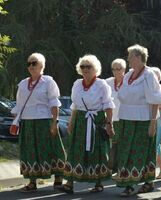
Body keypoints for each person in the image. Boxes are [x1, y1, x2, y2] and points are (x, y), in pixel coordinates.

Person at [60, 54, 115, 194]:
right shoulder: (77, 84)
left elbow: (108, 105)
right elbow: (75, 105)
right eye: (83, 66)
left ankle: (98, 182)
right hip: (80, 121)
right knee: (74, 150)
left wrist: (109, 124)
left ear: (95, 69)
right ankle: (70, 182)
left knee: (96, 151)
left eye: (88, 66)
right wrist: (71, 122)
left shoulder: (101, 84)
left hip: (96, 121)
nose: (85, 69)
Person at [11, 52, 66, 192]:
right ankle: (32, 182)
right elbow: (18, 105)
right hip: (28, 122)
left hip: (45, 120)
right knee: (30, 150)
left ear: (42, 65)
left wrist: (55, 122)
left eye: (34, 63)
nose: (31, 66)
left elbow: (54, 103)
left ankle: (58, 178)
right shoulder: (23, 84)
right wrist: (15, 122)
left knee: (52, 149)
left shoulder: (48, 82)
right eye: (29, 63)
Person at [115, 44, 161, 197]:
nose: (128, 60)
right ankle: (128, 183)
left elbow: (155, 100)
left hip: (143, 119)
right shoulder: (129, 75)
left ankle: (147, 182)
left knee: (141, 151)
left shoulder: (149, 75)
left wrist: (152, 122)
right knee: (125, 151)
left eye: (130, 57)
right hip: (126, 118)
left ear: (138, 57)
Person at [105, 58, 126, 175]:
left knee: (122, 144)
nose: (116, 71)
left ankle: (120, 168)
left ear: (124, 69)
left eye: (119, 69)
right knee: (111, 144)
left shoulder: (129, 81)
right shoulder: (107, 82)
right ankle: (110, 167)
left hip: (124, 118)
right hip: (111, 118)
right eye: (114, 69)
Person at [150, 67, 161, 180]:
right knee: (156, 146)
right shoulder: (149, 88)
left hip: (158, 121)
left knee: (155, 144)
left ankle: (160, 170)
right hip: (150, 119)